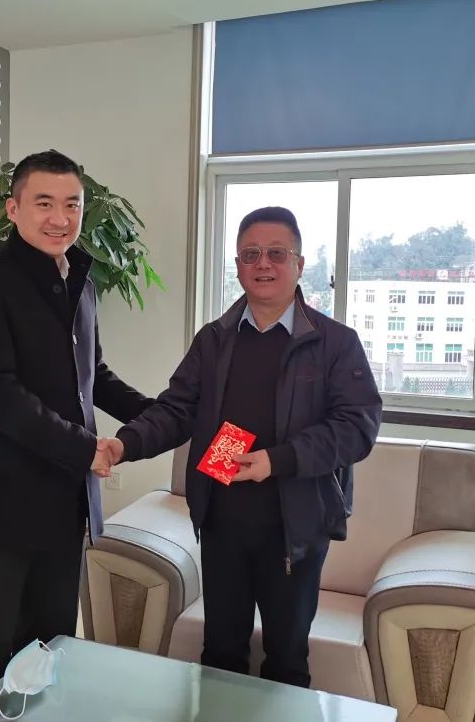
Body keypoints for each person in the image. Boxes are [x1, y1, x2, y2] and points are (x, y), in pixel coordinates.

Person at [105, 206, 382, 688]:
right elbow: (177, 409)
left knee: (287, 660)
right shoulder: (214, 339)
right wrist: (123, 444)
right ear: (237, 266)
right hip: (223, 523)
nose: (263, 263)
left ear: (299, 264)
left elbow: (358, 426)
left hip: (295, 527)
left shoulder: (336, 343)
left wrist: (277, 460)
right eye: (251, 254)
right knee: (221, 654)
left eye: (276, 253)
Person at [0, 150, 151, 717]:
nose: (60, 218)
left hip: (63, 506)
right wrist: (86, 449)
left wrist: (159, 416)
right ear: (13, 209)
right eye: (44, 203)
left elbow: (92, 376)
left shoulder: (80, 281)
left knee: (48, 649)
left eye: (72, 205)